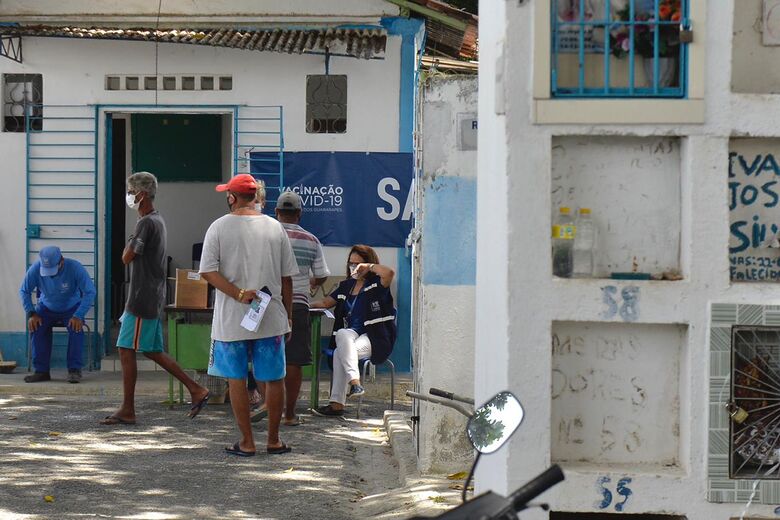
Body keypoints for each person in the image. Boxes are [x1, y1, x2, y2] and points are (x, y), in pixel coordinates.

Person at [199, 174, 298, 456]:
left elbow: (208, 271)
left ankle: (247, 442)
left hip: (232, 319)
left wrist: (238, 293)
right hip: (271, 316)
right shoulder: (275, 227)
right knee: (274, 379)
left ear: (232, 197)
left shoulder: (218, 227)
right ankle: (274, 440)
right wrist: (288, 317)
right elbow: (287, 278)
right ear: (255, 197)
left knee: (237, 380)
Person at [101, 172, 210, 426]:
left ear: (141, 194)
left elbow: (126, 257)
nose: (129, 196)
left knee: (125, 349)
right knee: (152, 351)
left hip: (142, 297)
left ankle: (129, 408)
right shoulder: (156, 220)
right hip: (151, 294)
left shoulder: (146, 223)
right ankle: (195, 389)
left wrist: (129, 243)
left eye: (131, 192)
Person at [310, 245, 396, 417]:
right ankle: (355, 383)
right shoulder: (346, 286)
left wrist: (369, 267)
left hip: (374, 337)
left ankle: (337, 404)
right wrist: (300, 304)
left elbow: (389, 273)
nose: (354, 267)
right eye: (351, 263)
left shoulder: (376, 284)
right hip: (351, 335)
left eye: (358, 264)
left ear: (367, 264)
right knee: (342, 335)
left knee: (339, 353)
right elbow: (325, 303)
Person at [272, 191, 330, 426]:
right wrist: (313, 282)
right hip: (297, 304)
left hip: (266, 302)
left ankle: (269, 407)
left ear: (276, 212)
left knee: (265, 355)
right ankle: (289, 414)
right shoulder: (311, 240)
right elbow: (322, 274)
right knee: (294, 360)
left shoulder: (266, 235)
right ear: (299, 213)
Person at [19, 246, 96, 383]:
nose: (50, 275)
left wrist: (78, 315)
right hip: (46, 307)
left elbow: (90, 292)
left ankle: (74, 370)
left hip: (71, 308)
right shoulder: (35, 268)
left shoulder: (75, 268)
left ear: (61, 261)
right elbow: (24, 291)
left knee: (76, 329)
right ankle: (41, 371)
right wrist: (31, 313)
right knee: (37, 327)